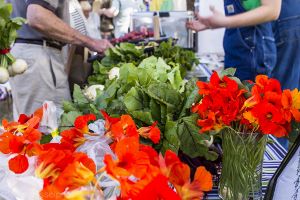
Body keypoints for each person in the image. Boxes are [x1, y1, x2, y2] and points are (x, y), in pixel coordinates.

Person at [7, 0, 112, 120]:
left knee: (55, 124)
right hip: (39, 55)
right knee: (37, 129)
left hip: (37, 54)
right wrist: (91, 42)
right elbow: (37, 16)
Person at [187, 0, 281, 81]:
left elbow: (272, 10)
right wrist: (211, 23)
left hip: (252, 54)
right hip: (237, 53)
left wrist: (225, 21)